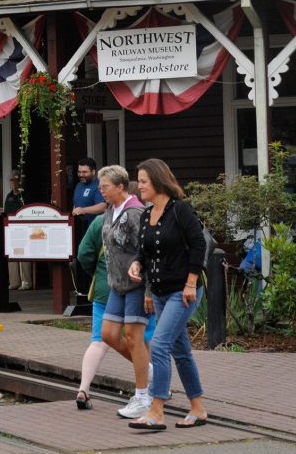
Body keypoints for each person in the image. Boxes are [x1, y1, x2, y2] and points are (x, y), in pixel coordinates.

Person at [127, 158, 208, 432]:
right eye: (139, 181)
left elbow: (198, 245)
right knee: (180, 351)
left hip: (182, 292)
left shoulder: (180, 210)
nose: (139, 186)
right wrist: (137, 264)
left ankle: (156, 410)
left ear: (158, 181)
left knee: (160, 346)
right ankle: (198, 408)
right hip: (160, 292)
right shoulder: (146, 215)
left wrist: (191, 282)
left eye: (143, 182)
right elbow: (144, 252)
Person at [75, 207, 155, 410]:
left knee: (98, 342)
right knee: (142, 339)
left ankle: (83, 389)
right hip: (133, 288)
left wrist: (97, 271)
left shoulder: (99, 221)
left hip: (104, 287)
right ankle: (149, 384)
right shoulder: (141, 219)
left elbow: (83, 253)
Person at [97, 164, 150, 420]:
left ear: (120, 187)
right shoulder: (110, 210)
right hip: (117, 283)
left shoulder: (135, 212)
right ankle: (151, 371)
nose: (101, 191)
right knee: (108, 334)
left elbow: (147, 250)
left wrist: (148, 287)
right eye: (100, 187)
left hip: (136, 284)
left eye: (105, 187)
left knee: (132, 337)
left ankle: (143, 396)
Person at [4, 173, 32, 291]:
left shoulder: (24, 196)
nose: (13, 183)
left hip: (24, 228)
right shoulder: (9, 196)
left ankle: (26, 282)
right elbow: (6, 212)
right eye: (11, 180)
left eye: (15, 180)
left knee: (23, 254)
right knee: (11, 254)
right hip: (11, 228)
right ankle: (14, 282)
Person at [72, 158, 105, 235]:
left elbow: (103, 207)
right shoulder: (78, 185)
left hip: (95, 231)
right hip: (79, 231)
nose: (81, 175)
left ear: (93, 172)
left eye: (84, 172)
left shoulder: (99, 185)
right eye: (79, 172)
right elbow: (76, 204)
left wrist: (83, 210)